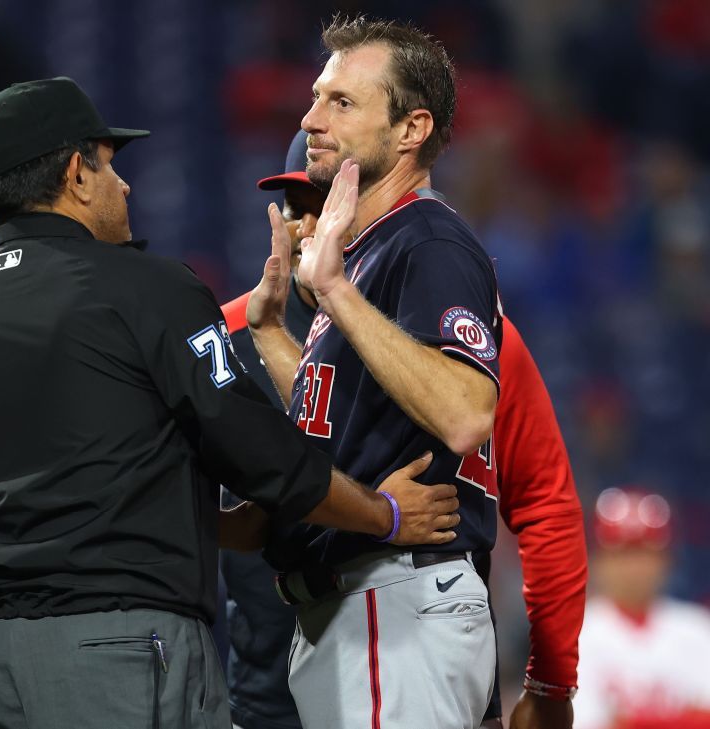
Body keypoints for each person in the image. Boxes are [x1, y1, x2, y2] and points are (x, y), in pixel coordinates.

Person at [0, 76, 462, 729]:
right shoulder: (147, 289)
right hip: (115, 646)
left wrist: (221, 521)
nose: (125, 186)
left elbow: (62, 484)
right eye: (110, 165)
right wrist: (385, 513)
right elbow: (265, 457)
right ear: (75, 175)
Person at [222, 129, 587, 729]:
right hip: (271, 681)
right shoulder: (230, 336)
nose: (311, 227)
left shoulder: (469, 340)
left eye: (326, 206)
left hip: (412, 649)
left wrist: (551, 678)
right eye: (297, 209)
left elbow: (546, 505)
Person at [243, 17, 504, 728]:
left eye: (341, 102)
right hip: (361, 606)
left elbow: (465, 410)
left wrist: (335, 292)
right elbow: (343, 415)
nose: (311, 117)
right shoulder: (366, 259)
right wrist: (270, 330)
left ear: (412, 128)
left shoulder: (427, 240)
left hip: (396, 601)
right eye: (317, 97)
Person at [574, 487, 710, 729]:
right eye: (622, 553)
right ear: (597, 560)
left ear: (667, 559)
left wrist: (629, 721)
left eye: (645, 552)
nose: (634, 567)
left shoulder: (698, 628)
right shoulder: (573, 634)